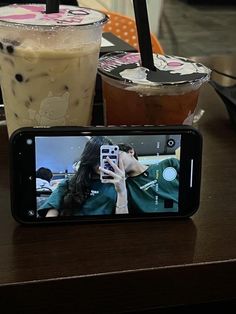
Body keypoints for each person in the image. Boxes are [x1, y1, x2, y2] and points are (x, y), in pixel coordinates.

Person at [38, 136, 128, 218]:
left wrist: (122, 191)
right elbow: (52, 213)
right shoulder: (68, 183)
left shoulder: (118, 185)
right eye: (97, 158)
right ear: (90, 159)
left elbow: (123, 222)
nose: (101, 163)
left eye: (105, 158)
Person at [118, 143, 180, 213]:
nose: (115, 162)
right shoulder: (124, 188)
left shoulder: (169, 164)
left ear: (130, 152)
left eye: (117, 156)